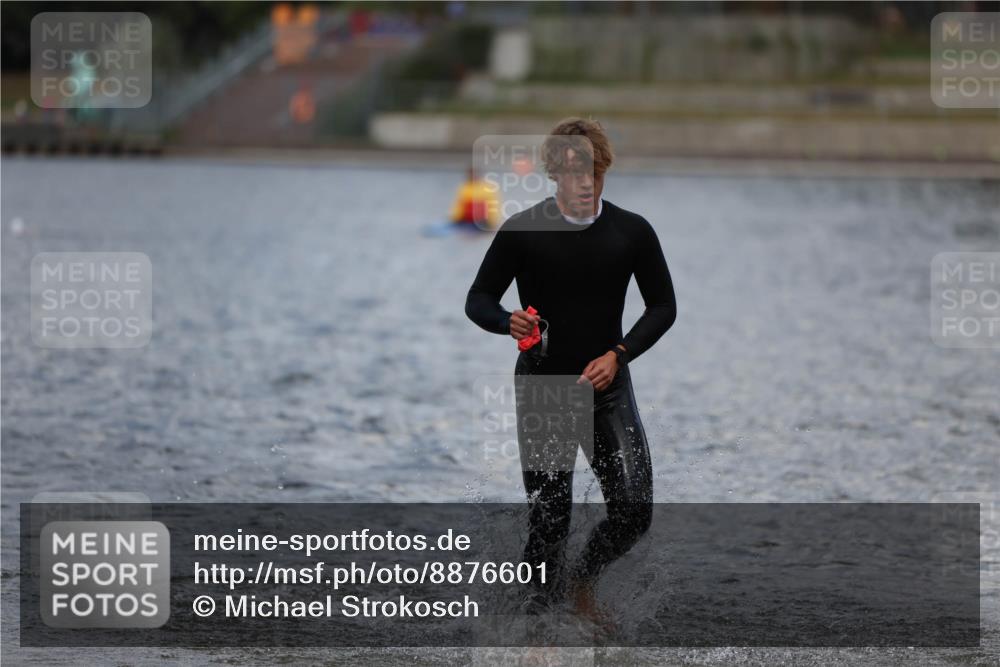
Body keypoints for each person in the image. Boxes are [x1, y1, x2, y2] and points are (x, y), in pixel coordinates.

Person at [464, 118, 677, 629]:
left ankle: (581, 583)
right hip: (544, 388)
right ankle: (537, 625)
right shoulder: (523, 230)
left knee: (633, 513)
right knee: (549, 521)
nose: (586, 184)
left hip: (607, 387)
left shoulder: (632, 232)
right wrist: (505, 321)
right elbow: (478, 300)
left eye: (594, 174)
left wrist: (619, 354)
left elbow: (663, 306)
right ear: (555, 173)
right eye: (575, 173)